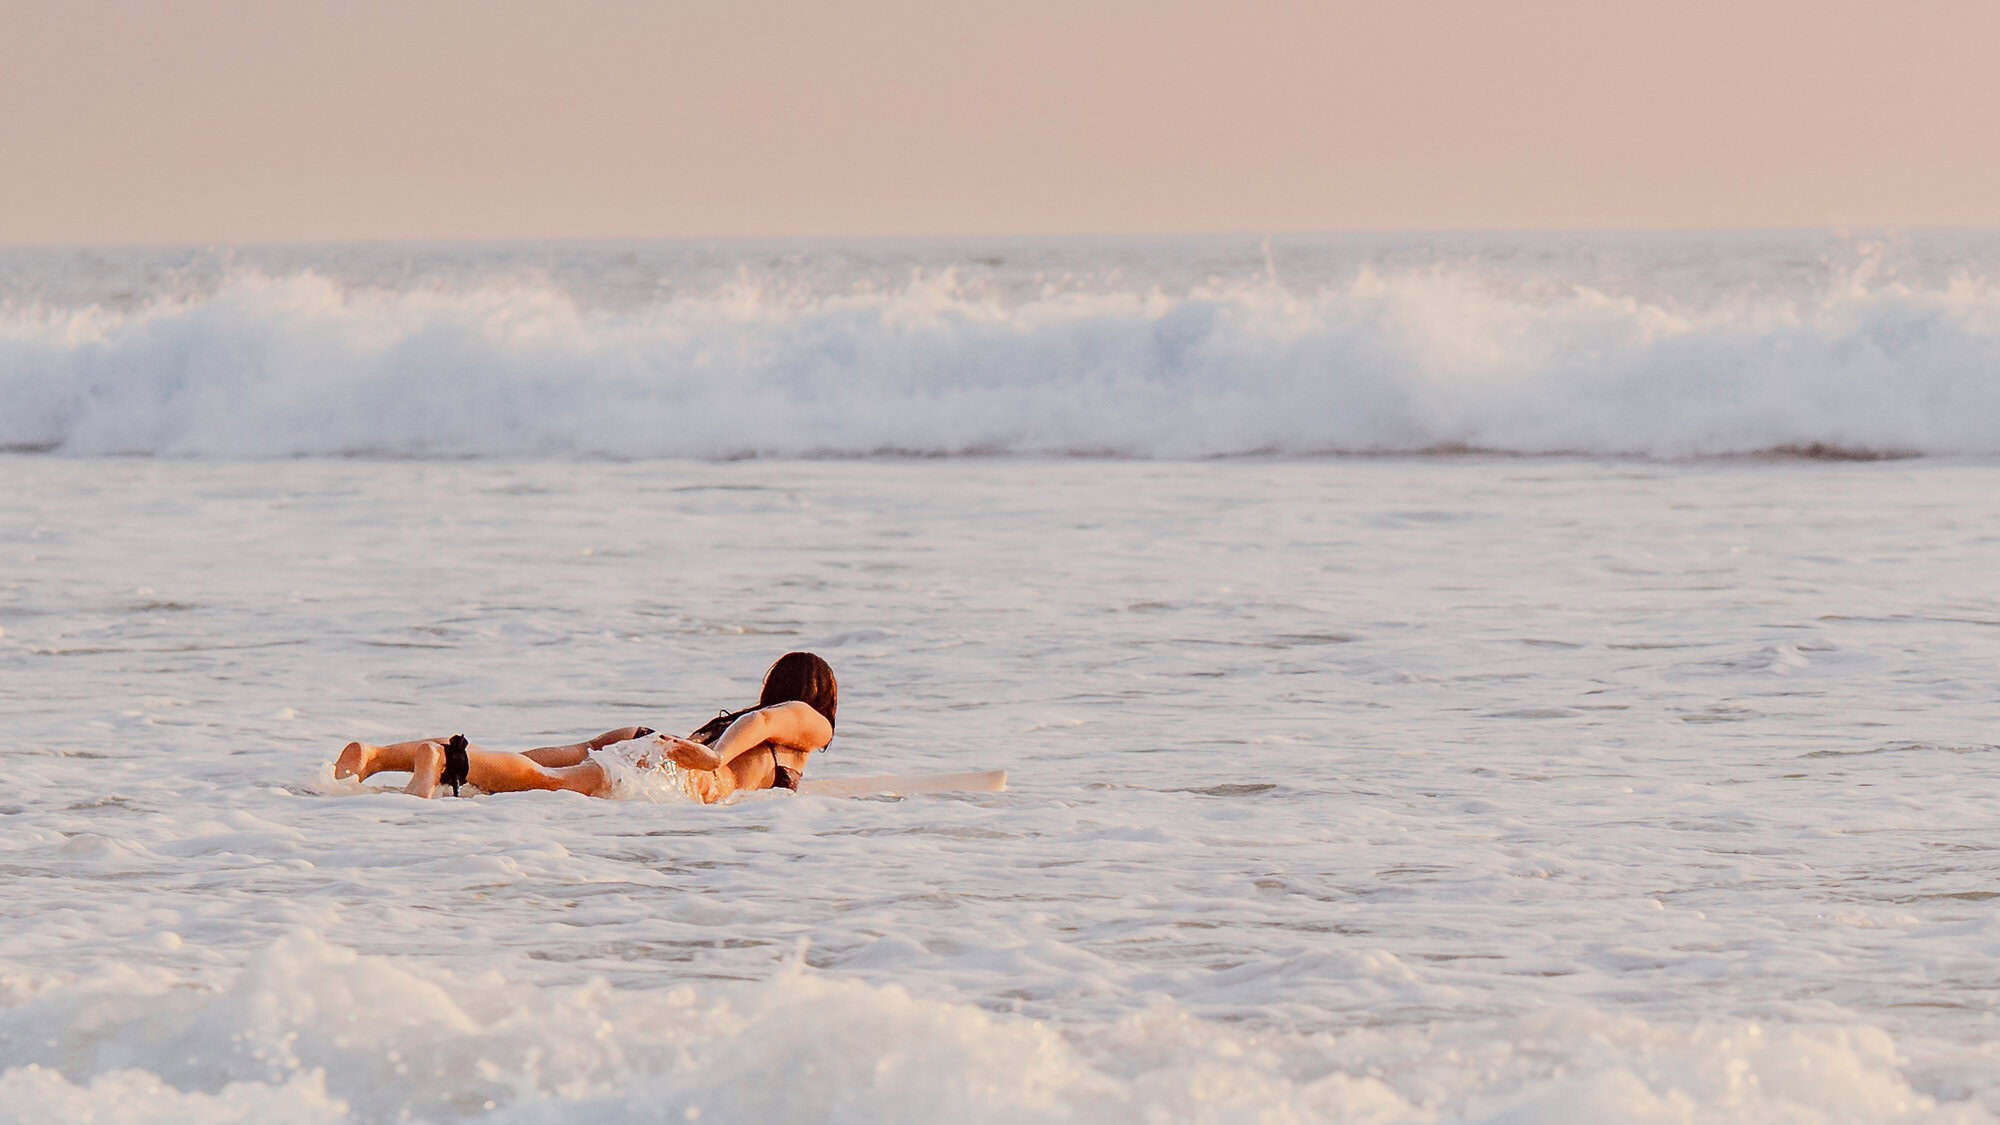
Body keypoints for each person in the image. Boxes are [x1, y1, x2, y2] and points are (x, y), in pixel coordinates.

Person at [331, 652, 836, 804]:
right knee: (543, 781)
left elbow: (756, 717)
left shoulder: (743, 727)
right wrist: (717, 760)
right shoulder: (808, 723)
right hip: (675, 770)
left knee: (517, 763)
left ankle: (376, 756)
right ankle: (442, 760)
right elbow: (764, 718)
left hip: (643, 742)